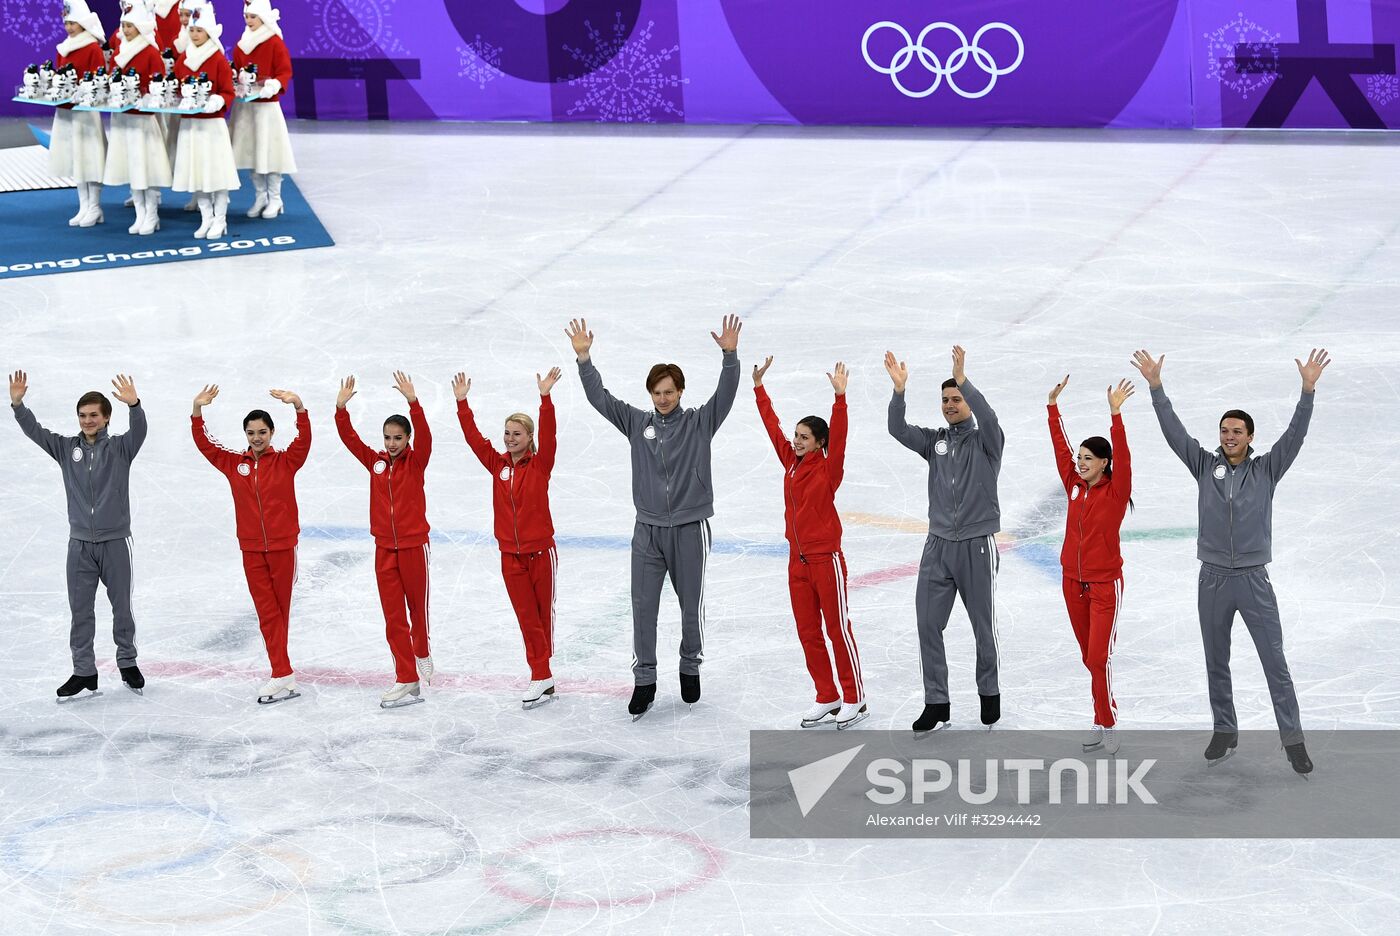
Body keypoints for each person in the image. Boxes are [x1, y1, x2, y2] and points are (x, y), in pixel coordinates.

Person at [1133, 348, 1330, 775]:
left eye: (1237, 431)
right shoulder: (1205, 466)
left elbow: (1295, 436)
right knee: (1215, 659)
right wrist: (1156, 389)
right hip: (1212, 580)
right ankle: (1225, 730)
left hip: (1253, 581)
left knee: (1274, 662)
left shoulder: (1266, 470)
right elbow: (1174, 434)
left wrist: (1307, 391)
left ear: (1250, 437)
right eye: (1224, 430)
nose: (1229, 436)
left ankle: (1292, 739)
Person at [568, 315, 741, 718]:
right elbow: (602, 400)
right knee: (643, 605)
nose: (662, 398)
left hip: (688, 529)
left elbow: (726, 394)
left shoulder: (699, 423)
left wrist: (730, 356)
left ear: (680, 391)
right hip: (646, 530)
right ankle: (644, 679)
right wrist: (584, 360)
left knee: (689, 606)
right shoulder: (637, 423)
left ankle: (689, 666)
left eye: (669, 391)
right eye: (656, 392)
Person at [886, 345, 1004, 732]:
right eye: (945, 400)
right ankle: (936, 702)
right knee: (927, 624)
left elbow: (987, 415)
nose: (950, 405)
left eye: (956, 399)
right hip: (937, 547)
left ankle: (989, 693)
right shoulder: (936, 442)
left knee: (982, 626)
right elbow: (897, 430)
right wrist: (899, 392)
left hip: (977, 546)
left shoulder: (986, 442)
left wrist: (965, 380)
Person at [9, 371, 147, 700]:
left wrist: (135, 405)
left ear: (106, 417)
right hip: (80, 545)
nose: (87, 421)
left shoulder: (120, 449)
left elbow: (139, 430)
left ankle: (127, 662)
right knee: (80, 610)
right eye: (83, 416)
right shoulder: (66, 448)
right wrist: (18, 405)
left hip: (115, 542)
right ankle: (83, 670)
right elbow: (36, 432)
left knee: (121, 608)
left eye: (94, 415)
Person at [753, 357, 866, 729]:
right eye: (797, 436)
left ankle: (854, 697)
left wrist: (840, 398)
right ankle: (827, 694)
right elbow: (773, 429)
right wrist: (759, 390)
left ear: (820, 443)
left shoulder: (828, 469)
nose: (796, 442)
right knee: (808, 632)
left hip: (825, 560)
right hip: (796, 562)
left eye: (804, 438)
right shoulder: (790, 462)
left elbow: (842, 435)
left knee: (837, 629)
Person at [191, 384, 310, 704]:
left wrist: (298, 407)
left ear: (271, 433)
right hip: (252, 548)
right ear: (245, 434)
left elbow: (305, 440)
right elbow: (206, 446)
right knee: (266, 611)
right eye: (251, 432)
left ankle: (281, 672)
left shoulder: (286, 461)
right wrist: (197, 412)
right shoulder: (235, 464)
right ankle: (281, 672)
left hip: (284, 546)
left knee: (279, 612)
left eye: (262, 432)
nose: (256, 437)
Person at [455, 368, 562, 709]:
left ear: (530, 438)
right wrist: (462, 404)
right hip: (510, 556)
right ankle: (540, 674)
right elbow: (474, 438)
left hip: (541, 553)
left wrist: (545, 399)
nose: (510, 438)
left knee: (542, 617)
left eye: (517, 434)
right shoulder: (497, 465)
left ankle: (543, 672)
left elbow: (552, 433)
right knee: (526, 617)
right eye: (507, 433)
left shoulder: (540, 464)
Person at [1047, 375, 1135, 755]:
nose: (1080, 462)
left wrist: (1115, 414)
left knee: (1099, 657)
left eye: (1088, 458)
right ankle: (1100, 716)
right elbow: (1059, 447)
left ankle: (1108, 720)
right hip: (1071, 582)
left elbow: (1125, 457)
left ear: (1104, 463)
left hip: (1103, 587)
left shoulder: (1116, 492)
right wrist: (1052, 408)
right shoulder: (1074, 484)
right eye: (1079, 457)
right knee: (1088, 657)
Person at [335, 372, 434, 708]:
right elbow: (350, 440)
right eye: (387, 437)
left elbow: (428, 439)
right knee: (393, 617)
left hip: (413, 546)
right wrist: (340, 409)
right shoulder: (375, 463)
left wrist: (413, 403)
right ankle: (407, 678)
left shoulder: (416, 462)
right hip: (384, 549)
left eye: (397, 438)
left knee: (416, 612)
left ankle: (422, 649)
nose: (391, 443)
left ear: (407, 439)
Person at [170, 2, 240, 239]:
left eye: (199, 30)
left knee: (217, 173)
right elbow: (176, 87)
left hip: (212, 126)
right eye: (191, 30)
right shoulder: (183, 60)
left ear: (209, 32)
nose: (195, 35)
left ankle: (220, 219)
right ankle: (206, 218)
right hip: (191, 125)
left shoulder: (218, 59)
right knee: (198, 172)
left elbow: (228, 91)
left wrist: (218, 101)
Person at [101, 2, 170, 236]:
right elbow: (112, 78)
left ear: (140, 27)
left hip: (142, 119)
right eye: (123, 25)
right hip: (123, 117)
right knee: (132, 164)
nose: (125, 30)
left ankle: (151, 213)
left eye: (129, 26)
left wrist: (147, 98)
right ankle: (140, 212)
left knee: (145, 166)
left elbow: (158, 83)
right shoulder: (121, 52)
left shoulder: (150, 52)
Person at [230, 0, 296, 219]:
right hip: (247, 107)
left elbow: (284, 71)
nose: (249, 21)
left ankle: (276, 198)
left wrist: (273, 85)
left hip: (266, 108)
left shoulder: (275, 42)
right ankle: (260, 196)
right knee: (251, 151)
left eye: (253, 17)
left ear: (263, 18)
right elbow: (238, 68)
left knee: (270, 151)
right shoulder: (241, 44)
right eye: (246, 17)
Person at [49, 0, 108, 228]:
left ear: (83, 22)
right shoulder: (64, 48)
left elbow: (98, 78)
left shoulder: (92, 48)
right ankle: (84, 204)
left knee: (89, 157)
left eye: (73, 23)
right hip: (67, 111)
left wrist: (83, 92)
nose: (69, 27)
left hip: (85, 111)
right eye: (67, 23)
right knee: (76, 158)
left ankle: (95, 205)